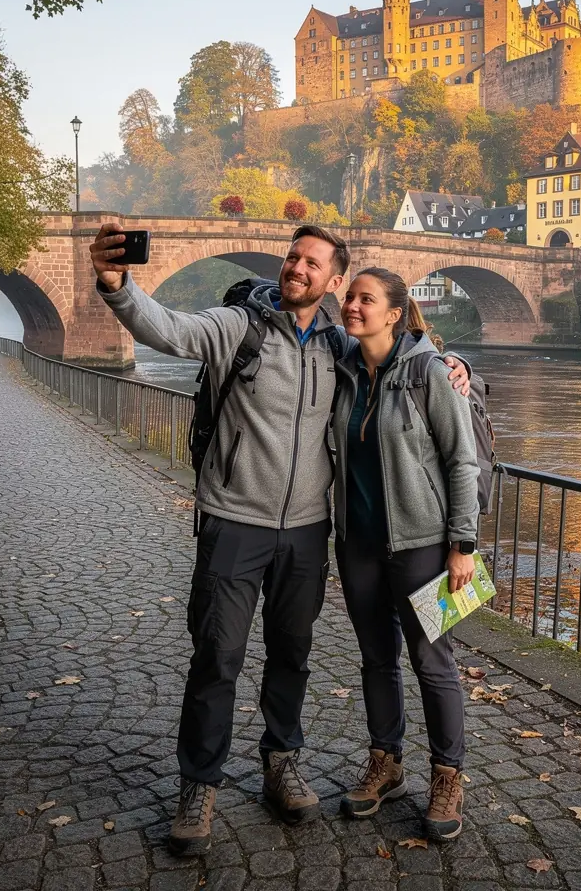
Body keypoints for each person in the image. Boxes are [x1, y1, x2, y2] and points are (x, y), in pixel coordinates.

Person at [88, 223, 469, 855]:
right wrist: (118, 286)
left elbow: (419, 378)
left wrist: (456, 363)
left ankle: (289, 763)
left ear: (335, 281)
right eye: (292, 257)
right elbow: (171, 331)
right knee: (219, 655)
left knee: (316, 655)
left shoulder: (347, 348)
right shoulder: (243, 326)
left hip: (345, 537)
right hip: (246, 521)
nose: (298, 268)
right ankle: (199, 786)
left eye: (313, 263)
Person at [330, 267, 479, 841]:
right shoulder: (344, 369)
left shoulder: (428, 372)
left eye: (366, 299)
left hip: (423, 545)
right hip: (359, 545)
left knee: (432, 663)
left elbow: (461, 461)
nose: (352, 306)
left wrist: (462, 545)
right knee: (376, 659)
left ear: (394, 313)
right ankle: (385, 763)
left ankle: (447, 775)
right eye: (350, 297)